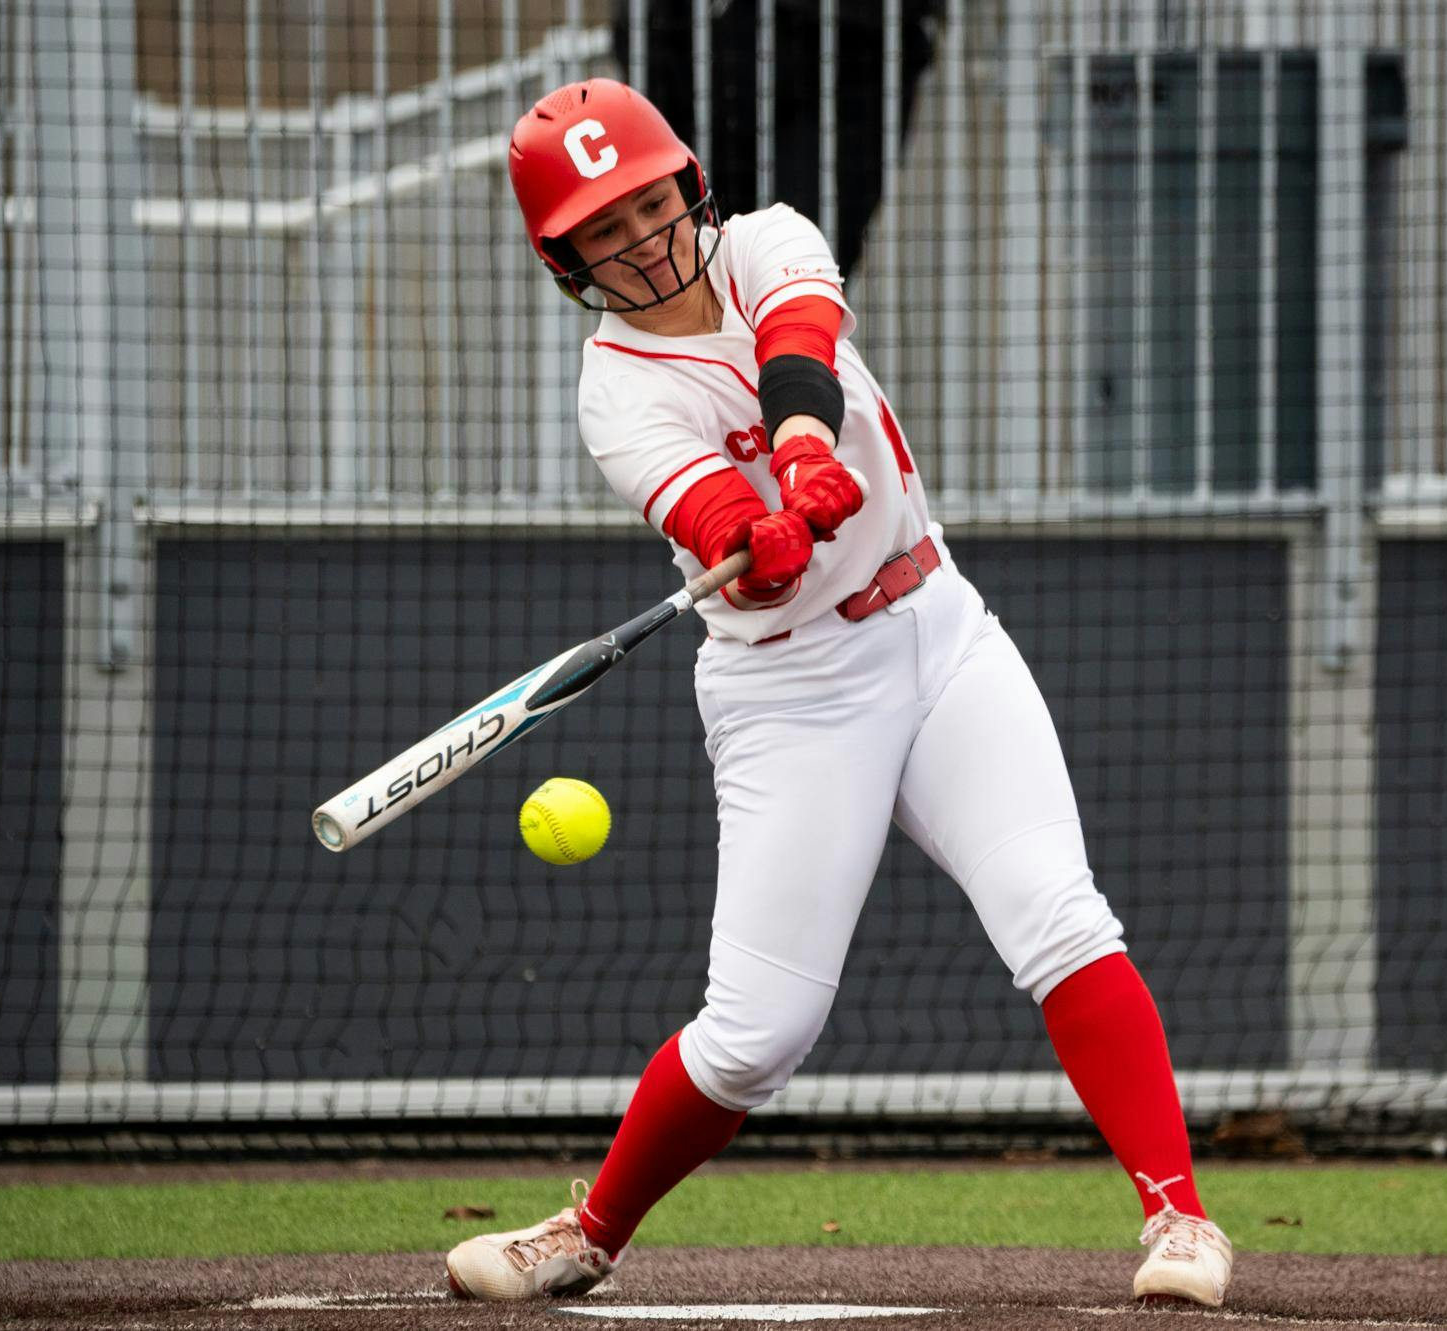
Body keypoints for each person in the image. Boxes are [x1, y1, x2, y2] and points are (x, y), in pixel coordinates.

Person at [444, 77, 1232, 1309]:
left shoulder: (767, 238)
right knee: (757, 1031)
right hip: (792, 689)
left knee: (1056, 911)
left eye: (650, 203)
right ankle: (590, 1229)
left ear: (687, 189)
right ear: (568, 258)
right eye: (604, 228)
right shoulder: (615, 388)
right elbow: (703, 514)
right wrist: (754, 544)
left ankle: (1179, 1220)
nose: (641, 238)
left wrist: (804, 453)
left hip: (940, 627)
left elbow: (796, 344)